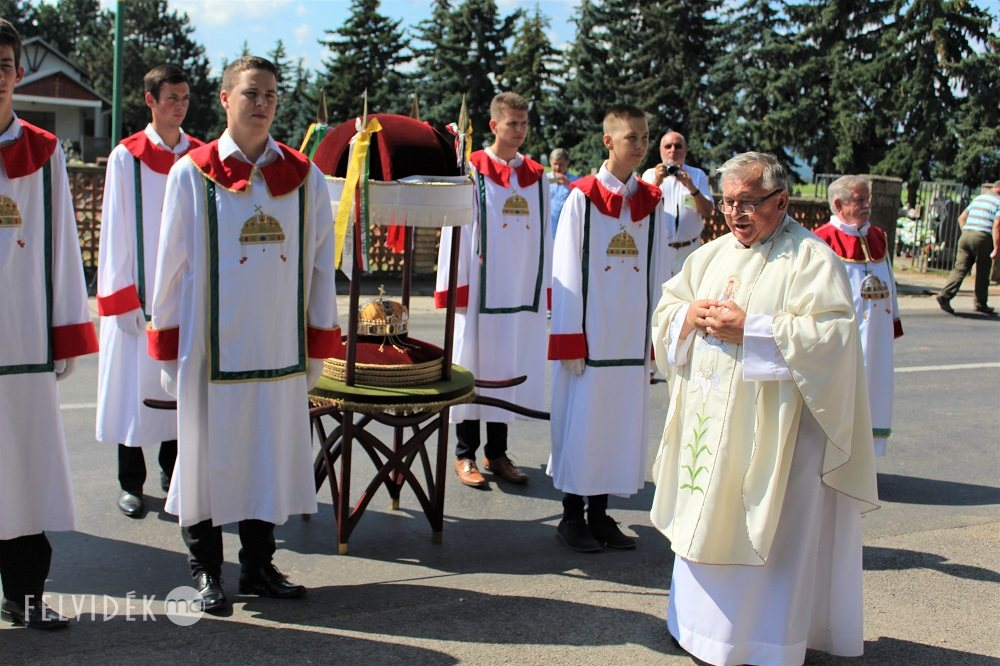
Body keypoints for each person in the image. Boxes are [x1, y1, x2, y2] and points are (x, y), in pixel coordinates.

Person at [649, 152, 879, 665]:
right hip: (708, 434)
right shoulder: (710, 256)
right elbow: (666, 311)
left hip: (776, 437)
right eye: (729, 202)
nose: (735, 213)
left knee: (764, 532)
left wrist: (751, 330)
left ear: (782, 200)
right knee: (703, 515)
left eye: (749, 203)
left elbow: (836, 337)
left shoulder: (810, 258)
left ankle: (761, 643)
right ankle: (695, 630)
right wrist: (688, 316)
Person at [147, 56, 340, 613]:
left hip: (279, 352)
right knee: (206, 461)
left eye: (271, 95)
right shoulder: (193, 173)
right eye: (251, 93)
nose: (262, 103)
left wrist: (318, 343)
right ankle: (207, 571)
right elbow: (171, 266)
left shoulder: (305, 178)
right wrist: (167, 344)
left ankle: (258, 565)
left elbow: (322, 267)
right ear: (226, 98)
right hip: (211, 353)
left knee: (266, 460)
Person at [0, 18, 99, 629]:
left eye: (4, 66)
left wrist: (65, 329)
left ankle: (26, 594)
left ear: (17, 72)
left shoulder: (42, 149)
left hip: (22, 339)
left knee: (25, 470)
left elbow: (64, 244)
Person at [548, 105, 663, 552]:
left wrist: (653, 342)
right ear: (608, 141)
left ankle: (600, 514)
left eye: (644, 136)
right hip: (590, 339)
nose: (641, 144)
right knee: (585, 425)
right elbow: (566, 272)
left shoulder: (652, 205)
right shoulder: (583, 198)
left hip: (629, 341)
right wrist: (569, 337)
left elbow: (659, 275)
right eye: (632, 137)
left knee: (617, 427)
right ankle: (571, 516)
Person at [96, 64, 204, 518]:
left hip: (181, 296)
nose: (179, 106)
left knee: (178, 391)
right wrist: (120, 297)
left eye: (184, 98)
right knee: (132, 390)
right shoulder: (128, 156)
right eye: (170, 98)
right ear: (150, 101)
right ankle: (130, 482)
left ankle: (172, 471)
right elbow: (116, 228)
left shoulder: (200, 156)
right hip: (137, 298)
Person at [435, 92, 550, 488]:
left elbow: (544, 235)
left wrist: (544, 287)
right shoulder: (472, 168)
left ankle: (496, 452)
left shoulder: (537, 175)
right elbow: (457, 228)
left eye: (524, 123)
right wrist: (455, 286)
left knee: (508, 370)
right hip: (482, 291)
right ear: (494, 125)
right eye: (512, 123)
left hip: (518, 291)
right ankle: (464, 454)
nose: (519, 130)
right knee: (475, 367)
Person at [815, 176, 903, 457]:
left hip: (876, 337)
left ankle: (863, 461)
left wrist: (893, 322)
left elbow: (889, 280)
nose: (868, 205)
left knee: (873, 393)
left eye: (868, 199)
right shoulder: (820, 241)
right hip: (841, 338)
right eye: (860, 200)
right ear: (839, 204)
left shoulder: (877, 236)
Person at [640, 131, 715, 280]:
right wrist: (656, 183)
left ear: (685, 150)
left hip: (689, 250)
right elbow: (642, 211)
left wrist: (691, 186)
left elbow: (707, 212)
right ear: (661, 150)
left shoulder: (697, 175)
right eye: (668, 146)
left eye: (678, 146)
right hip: (660, 250)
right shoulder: (649, 175)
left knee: (687, 297)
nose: (673, 150)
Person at [936, 180, 1000, 316]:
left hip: (965, 235)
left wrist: (966, 231)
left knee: (959, 268)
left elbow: (961, 218)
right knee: (983, 272)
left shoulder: (978, 199)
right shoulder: (998, 202)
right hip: (983, 237)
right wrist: (996, 247)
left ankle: (945, 295)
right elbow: (997, 225)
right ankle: (980, 304)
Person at [547, 147, 578, 238]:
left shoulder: (575, 180)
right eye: (555, 164)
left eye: (561, 164)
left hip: (568, 229)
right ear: (550, 163)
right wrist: (552, 180)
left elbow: (584, 196)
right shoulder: (544, 179)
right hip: (549, 229)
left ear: (567, 163)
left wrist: (569, 184)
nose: (557, 167)